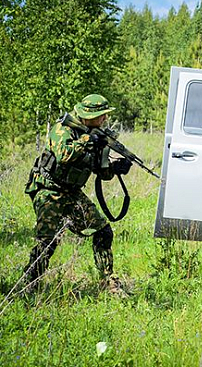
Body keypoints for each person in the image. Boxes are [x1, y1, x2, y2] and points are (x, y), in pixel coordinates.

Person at [23, 94, 132, 293]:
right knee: (48, 242)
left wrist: (116, 168)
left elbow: (101, 171)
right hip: (49, 190)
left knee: (103, 232)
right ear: (89, 115)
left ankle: (108, 282)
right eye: (102, 116)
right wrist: (87, 139)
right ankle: (29, 284)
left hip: (72, 193)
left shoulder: (95, 134)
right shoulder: (63, 129)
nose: (104, 119)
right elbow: (64, 155)